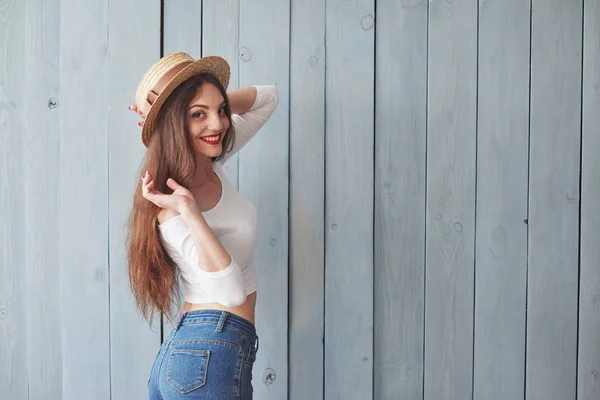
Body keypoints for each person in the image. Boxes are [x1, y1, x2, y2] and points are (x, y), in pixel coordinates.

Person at [127, 52, 278, 399]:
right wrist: (190, 211)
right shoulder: (170, 204)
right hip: (209, 358)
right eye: (198, 114)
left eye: (221, 110)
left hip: (204, 355)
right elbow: (230, 292)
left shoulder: (206, 156)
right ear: (175, 125)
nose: (218, 124)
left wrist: (202, 103)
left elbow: (268, 98)